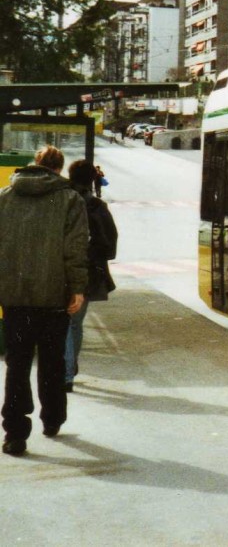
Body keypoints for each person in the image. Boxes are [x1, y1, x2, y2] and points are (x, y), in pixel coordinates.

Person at [0, 145, 88, 456]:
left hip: (15, 299)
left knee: (17, 364)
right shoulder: (70, 200)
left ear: (33, 165)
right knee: (52, 364)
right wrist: (78, 289)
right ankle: (52, 419)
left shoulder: (4, 198)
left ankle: (14, 433)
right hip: (54, 298)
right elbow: (75, 249)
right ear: (59, 168)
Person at [64, 160, 118, 392]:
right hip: (87, 274)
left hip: (59, 270)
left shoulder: (60, 200)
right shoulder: (97, 206)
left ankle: (66, 373)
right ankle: (69, 370)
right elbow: (110, 246)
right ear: (91, 179)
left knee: (64, 323)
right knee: (74, 324)